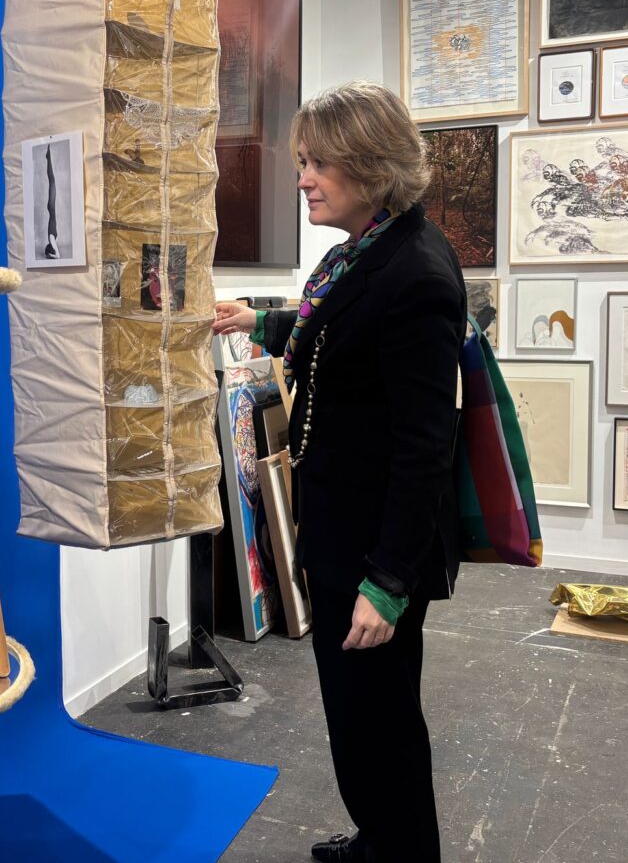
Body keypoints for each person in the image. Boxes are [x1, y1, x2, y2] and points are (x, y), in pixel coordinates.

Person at [213, 81, 465, 862]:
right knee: (357, 715)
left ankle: (400, 852)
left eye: (318, 163)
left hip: (372, 548)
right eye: (302, 162)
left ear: (371, 163)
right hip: (343, 531)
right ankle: (378, 841)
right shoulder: (367, 252)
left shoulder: (415, 274)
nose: (303, 179)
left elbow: (424, 447)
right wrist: (258, 321)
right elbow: (335, 328)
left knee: (380, 720)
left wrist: (386, 581)